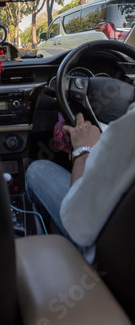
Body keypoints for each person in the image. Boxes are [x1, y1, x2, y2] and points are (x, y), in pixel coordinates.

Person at [25, 105, 135, 262]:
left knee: (36, 170)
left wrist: (83, 150)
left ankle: (48, 257)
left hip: (103, 254)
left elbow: (78, 221)